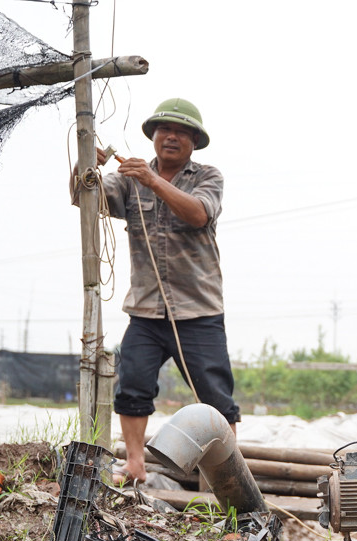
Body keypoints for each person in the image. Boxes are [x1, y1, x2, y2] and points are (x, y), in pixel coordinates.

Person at [71, 98, 239, 484]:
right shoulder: (129, 179)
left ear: (194, 142)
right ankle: (134, 464)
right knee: (132, 385)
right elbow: (85, 197)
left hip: (198, 310)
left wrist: (153, 182)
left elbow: (198, 213)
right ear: (154, 136)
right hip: (146, 310)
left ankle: (227, 479)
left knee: (216, 395)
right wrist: (85, 166)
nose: (171, 137)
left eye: (181, 132)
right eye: (165, 129)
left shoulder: (207, 177)